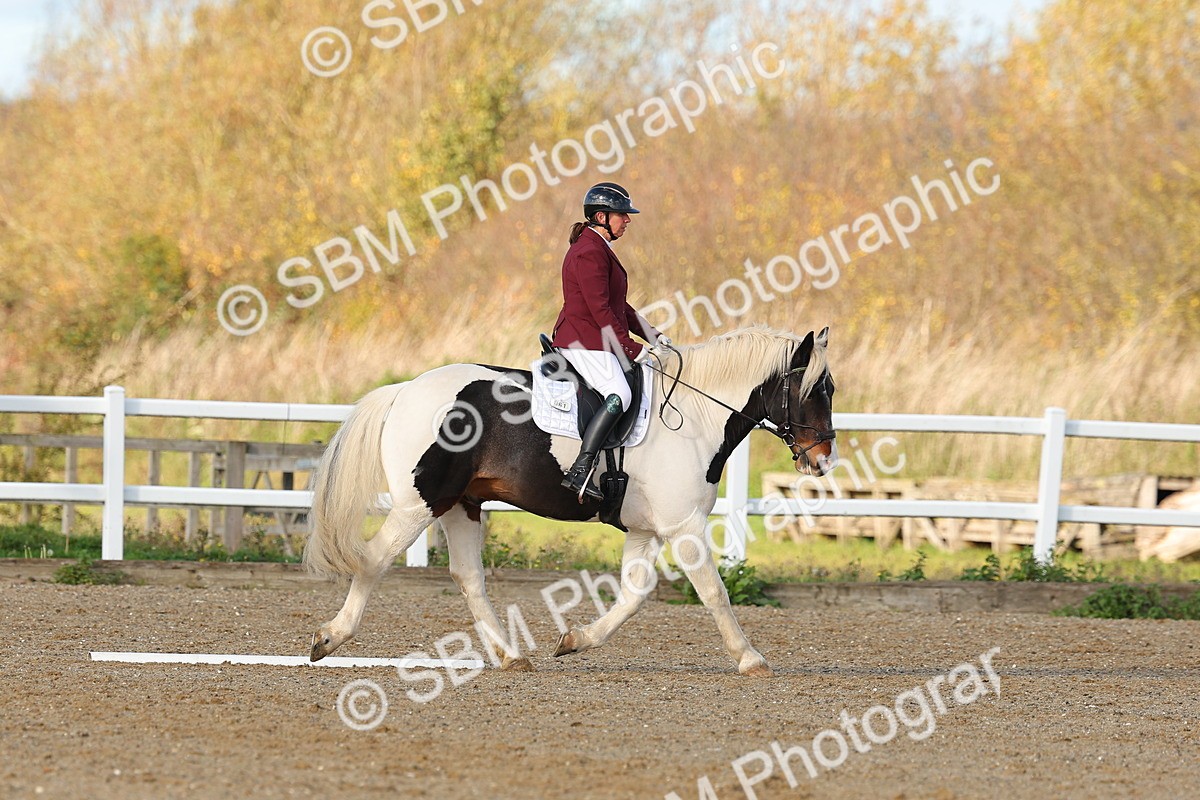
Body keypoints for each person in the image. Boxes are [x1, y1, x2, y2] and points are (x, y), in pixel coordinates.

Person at [551, 182, 670, 501]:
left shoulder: (598, 247)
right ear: (602, 217)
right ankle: (580, 469)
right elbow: (600, 310)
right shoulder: (589, 251)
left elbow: (619, 307)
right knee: (620, 393)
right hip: (580, 340)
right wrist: (630, 348)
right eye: (622, 215)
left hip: (592, 338)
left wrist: (652, 334)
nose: (628, 220)